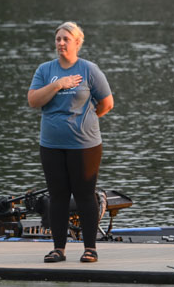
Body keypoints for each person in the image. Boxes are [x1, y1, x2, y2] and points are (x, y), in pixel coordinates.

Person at [27, 22, 114, 263]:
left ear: (77, 42)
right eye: (58, 39)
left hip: (84, 145)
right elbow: (33, 101)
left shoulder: (89, 69)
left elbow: (107, 103)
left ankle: (90, 248)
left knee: (85, 195)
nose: (61, 43)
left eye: (66, 39)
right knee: (58, 196)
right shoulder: (45, 70)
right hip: (51, 145)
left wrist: (86, 122)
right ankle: (59, 249)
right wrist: (58, 84)